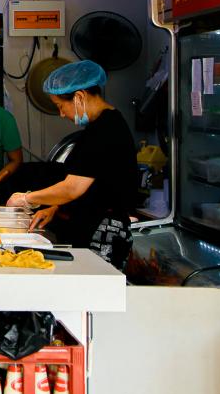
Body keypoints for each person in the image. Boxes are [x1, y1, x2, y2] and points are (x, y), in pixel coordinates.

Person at [7, 60, 137, 268]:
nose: (61, 114)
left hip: (103, 232)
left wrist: (26, 198)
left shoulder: (105, 130)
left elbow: (72, 188)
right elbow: (95, 184)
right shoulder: (102, 125)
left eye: (60, 106)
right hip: (90, 222)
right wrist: (54, 208)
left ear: (79, 97)